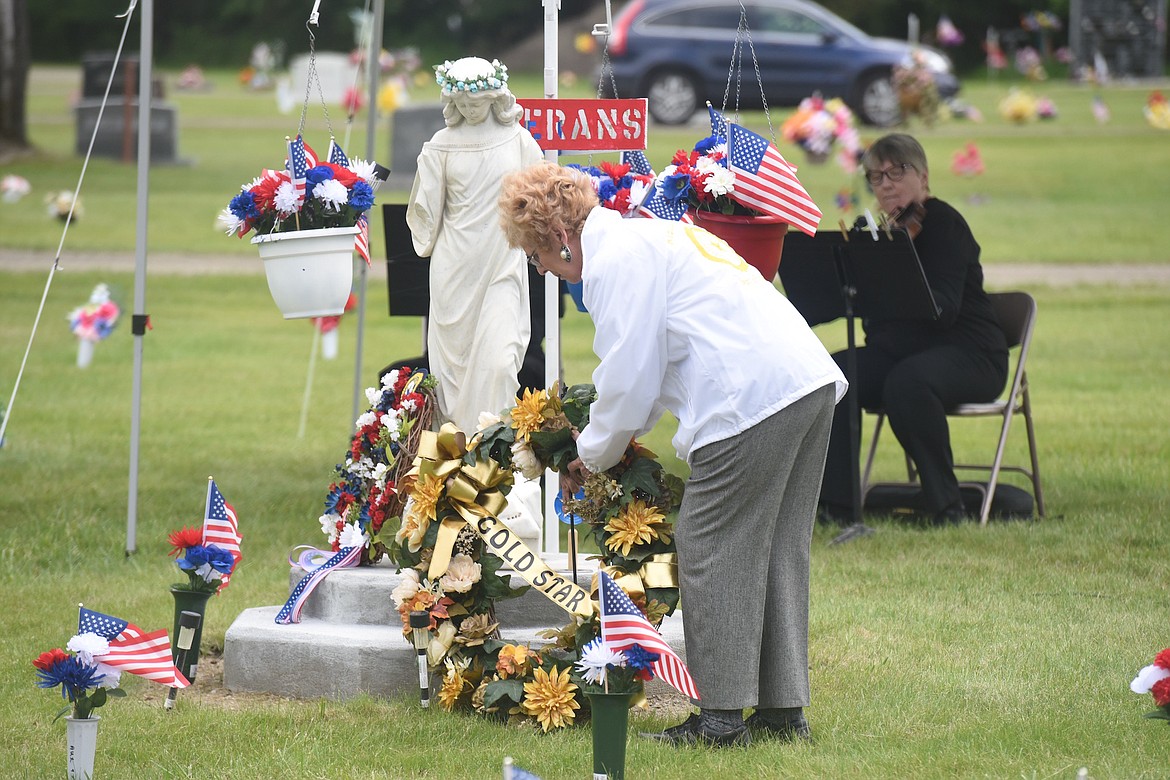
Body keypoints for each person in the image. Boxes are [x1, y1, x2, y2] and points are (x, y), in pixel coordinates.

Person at [497, 163, 848, 747]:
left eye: (536, 254)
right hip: (802, 382)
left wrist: (591, 452)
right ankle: (783, 714)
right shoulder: (650, 234)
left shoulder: (614, 263)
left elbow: (630, 379)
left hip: (751, 398)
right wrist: (603, 447)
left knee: (709, 546)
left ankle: (721, 719)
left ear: (559, 236)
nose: (540, 269)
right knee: (777, 547)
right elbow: (652, 374)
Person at [818, 133, 1008, 526]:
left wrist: (896, 270)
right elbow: (876, 322)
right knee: (831, 379)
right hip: (905, 351)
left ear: (922, 176)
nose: (885, 183)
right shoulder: (878, 234)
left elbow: (944, 312)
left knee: (907, 383)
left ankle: (946, 508)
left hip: (971, 354)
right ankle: (838, 507)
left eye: (896, 171)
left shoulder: (944, 225)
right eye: (875, 176)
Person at [407, 57, 546, 548]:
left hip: (503, 266)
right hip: (453, 273)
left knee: (499, 360)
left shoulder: (519, 142)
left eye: (476, 100)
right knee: (451, 378)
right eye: (459, 101)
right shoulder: (441, 146)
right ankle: (453, 484)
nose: (467, 107)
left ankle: (493, 475)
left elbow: (544, 200)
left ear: (494, 98)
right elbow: (425, 221)